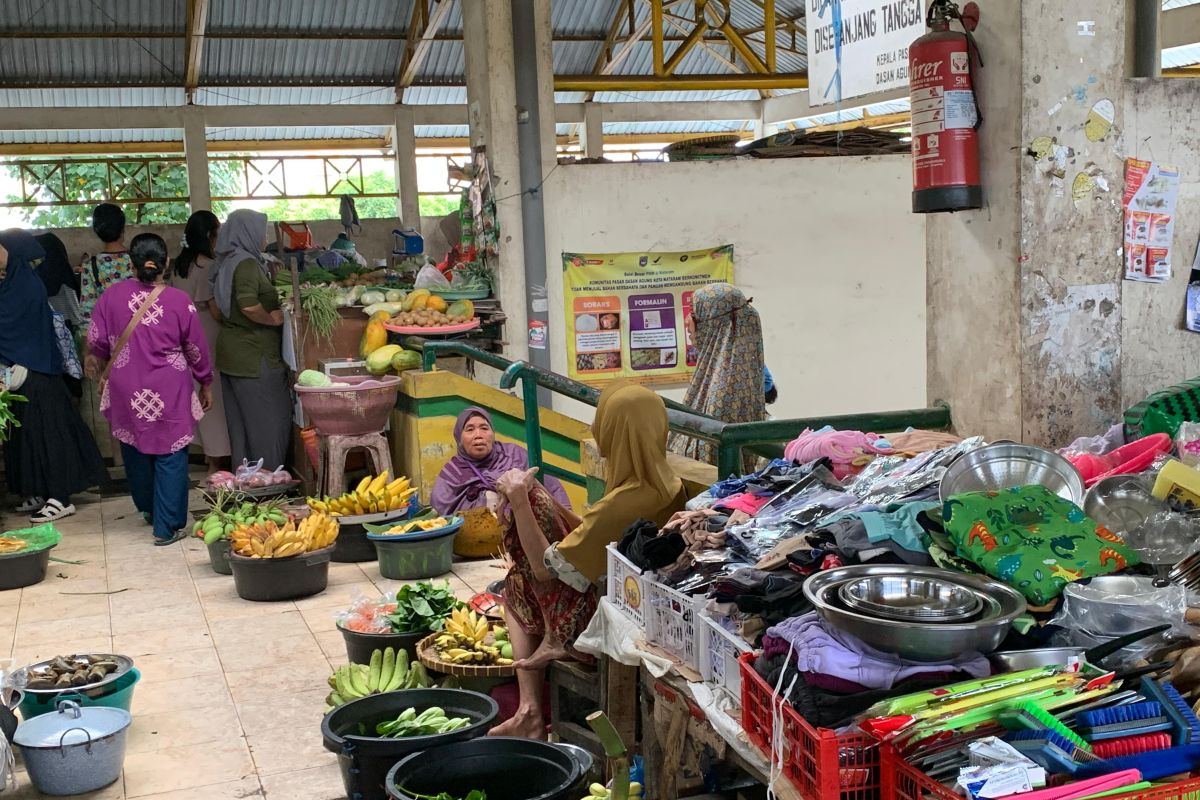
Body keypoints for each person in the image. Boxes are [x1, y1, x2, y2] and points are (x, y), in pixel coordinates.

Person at [490, 382, 687, 739]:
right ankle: (531, 706)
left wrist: (520, 499)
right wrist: (546, 500)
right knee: (538, 501)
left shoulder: (624, 500)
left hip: (603, 619)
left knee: (516, 582)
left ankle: (531, 703)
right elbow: (590, 532)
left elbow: (543, 570)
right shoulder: (666, 482)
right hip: (638, 597)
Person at [87, 233, 213, 545]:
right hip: (170, 386)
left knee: (135, 448)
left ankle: (148, 509)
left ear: (130, 264)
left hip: (126, 386)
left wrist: (98, 361)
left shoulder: (110, 297)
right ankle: (166, 526)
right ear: (166, 263)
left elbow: (97, 341)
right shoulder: (179, 301)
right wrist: (205, 380)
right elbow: (195, 348)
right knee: (171, 452)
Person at [0, 230, 106, 523]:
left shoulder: (24, 285)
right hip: (22, 371)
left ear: (15, 252)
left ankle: (59, 496)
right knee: (25, 435)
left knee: (49, 436)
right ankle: (38, 490)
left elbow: (13, 328)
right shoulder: (11, 283)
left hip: (37, 370)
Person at [211, 209, 291, 470]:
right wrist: (273, 319)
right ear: (247, 232)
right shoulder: (245, 263)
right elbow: (248, 305)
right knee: (269, 422)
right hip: (253, 356)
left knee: (242, 427)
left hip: (233, 353)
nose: (263, 237)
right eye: (261, 231)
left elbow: (218, 306)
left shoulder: (226, 261)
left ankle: (247, 483)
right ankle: (269, 482)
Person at [670, 283, 766, 468]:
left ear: (714, 324)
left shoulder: (725, 391)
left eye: (695, 315)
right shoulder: (717, 375)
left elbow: (712, 461)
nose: (687, 322)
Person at [169, 210, 230, 474]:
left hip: (185, 334)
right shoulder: (207, 266)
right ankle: (217, 460)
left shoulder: (179, 265)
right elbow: (213, 308)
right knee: (213, 399)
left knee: (199, 395)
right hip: (208, 331)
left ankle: (208, 454)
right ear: (209, 235)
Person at [430, 407, 571, 516]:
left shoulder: (514, 455)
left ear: (493, 434)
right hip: (474, 546)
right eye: (470, 429)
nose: (478, 435)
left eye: (484, 428)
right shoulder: (452, 473)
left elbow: (551, 488)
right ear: (459, 438)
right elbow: (441, 517)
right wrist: (484, 501)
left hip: (525, 538)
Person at [79, 203, 133, 321]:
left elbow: (87, 310)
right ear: (123, 228)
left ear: (96, 230)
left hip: (110, 333)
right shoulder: (137, 258)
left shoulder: (91, 266)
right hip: (142, 331)